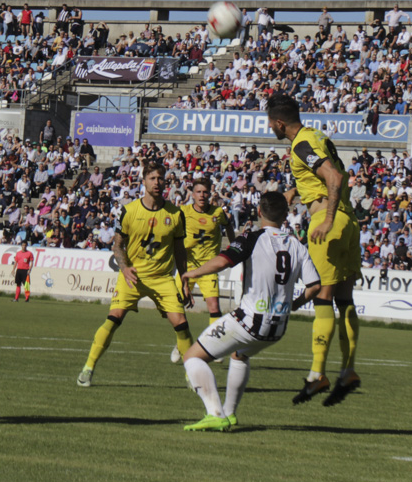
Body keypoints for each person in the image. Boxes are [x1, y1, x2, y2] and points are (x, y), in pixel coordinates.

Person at [180, 192, 322, 431]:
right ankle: (230, 413)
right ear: (286, 215)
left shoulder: (253, 237)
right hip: (278, 327)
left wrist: (192, 273)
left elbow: (224, 260)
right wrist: (293, 306)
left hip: (249, 320)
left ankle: (215, 413)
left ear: (258, 212)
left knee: (192, 357)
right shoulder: (297, 244)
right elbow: (315, 286)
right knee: (239, 356)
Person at [267, 94, 362, 406]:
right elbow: (322, 175)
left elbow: (332, 177)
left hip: (330, 221)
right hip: (349, 221)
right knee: (345, 299)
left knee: (322, 297)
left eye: (271, 122)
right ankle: (347, 371)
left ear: (280, 123)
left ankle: (317, 373)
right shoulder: (317, 136)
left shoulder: (300, 144)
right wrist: (292, 193)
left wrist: (327, 219)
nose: (270, 127)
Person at [76, 162, 193, 387]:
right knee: (113, 319)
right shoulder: (129, 210)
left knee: (181, 324)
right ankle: (88, 368)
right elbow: (118, 245)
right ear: (144, 182)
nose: (157, 183)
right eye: (152, 179)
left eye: (161, 179)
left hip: (162, 278)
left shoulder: (176, 214)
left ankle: (192, 374)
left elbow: (179, 250)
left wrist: (184, 280)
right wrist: (125, 267)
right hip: (133, 276)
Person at [169, 177, 236, 363]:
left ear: (210, 193)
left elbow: (229, 226)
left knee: (214, 306)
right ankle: (181, 344)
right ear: (192, 194)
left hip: (208, 267)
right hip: (187, 267)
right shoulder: (183, 212)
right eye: (198, 192)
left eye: (205, 192)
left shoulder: (217, 213)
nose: (202, 195)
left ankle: (213, 346)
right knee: (177, 306)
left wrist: (233, 246)